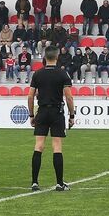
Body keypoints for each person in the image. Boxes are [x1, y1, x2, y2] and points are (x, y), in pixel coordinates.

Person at [28, 46, 75, 191]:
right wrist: (72, 115)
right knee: (57, 146)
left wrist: (31, 115)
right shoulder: (62, 74)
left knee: (39, 146)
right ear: (57, 57)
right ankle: (59, 183)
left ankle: (34, 182)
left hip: (42, 111)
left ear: (45, 57)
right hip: (56, 112)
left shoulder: (37, 74)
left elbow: (30, 96)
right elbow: (69, 97)